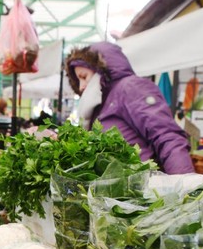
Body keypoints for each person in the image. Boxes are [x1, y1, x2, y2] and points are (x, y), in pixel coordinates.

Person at [65, 41, 194, 174]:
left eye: (84, 77)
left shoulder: (130, 87)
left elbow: (166, 136)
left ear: (100, 69)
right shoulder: (100, 105)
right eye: (78, 80)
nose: (81, 86)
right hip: (120, 190)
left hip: (145, 187)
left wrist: (185, 184)